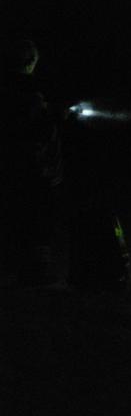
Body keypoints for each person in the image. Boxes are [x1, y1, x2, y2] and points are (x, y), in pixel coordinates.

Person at [0, 38, 63, 285]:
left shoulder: (6, 87)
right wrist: (55, 117)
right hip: (35, 168)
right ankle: (36, 273)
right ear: (30, 61)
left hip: (11, 166)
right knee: (38, 220)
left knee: (16, 217)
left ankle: (19, 269)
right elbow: (36, 130)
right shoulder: (30, 90)